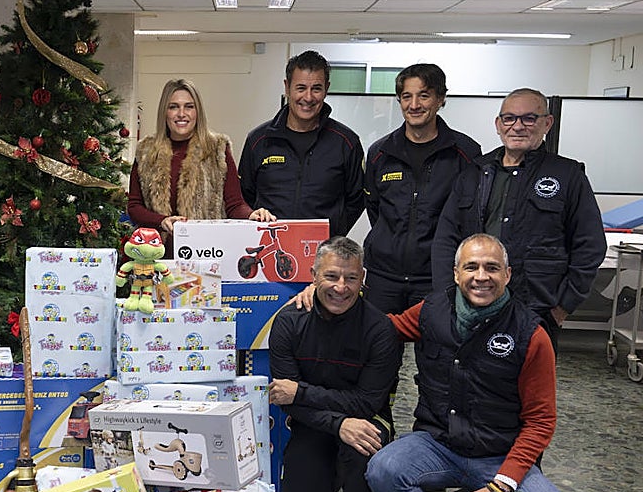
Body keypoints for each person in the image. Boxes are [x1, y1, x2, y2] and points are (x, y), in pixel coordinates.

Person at [367, 234, 581, 492]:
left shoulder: (531, 334)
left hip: (500, 455)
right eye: (471, 267)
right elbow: (382, 328)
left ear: (507, 274)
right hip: (438, 444)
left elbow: (541, 422)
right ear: (456, 273)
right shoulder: (431, 311)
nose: (481, 276)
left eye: (492, 268)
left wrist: (499, 490)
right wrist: (322, 297)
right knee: (382, 471)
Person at [432, 88, 605, 351]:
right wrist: (448, 295)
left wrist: (563, 306)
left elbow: (590, 246)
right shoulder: (475, 172)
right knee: (468, 372)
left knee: (530, 376)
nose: (518, 126)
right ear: (498, 124)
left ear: (547, 123)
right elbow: (446, 238)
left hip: (536, 308)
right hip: (473, 303)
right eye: (509, 118)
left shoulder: (567, 175)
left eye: (529, 118)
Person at [267, 236, 400, 492]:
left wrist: (302, 392)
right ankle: (334, 473)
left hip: (366, 421)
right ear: (313, 275)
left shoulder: (380, 330)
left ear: (362, 278)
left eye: (351, 278)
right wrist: (338, 423)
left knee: (363, 441)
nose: (341, 287)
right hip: (313, 423)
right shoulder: (287, 322)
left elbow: (366, 403)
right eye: (331, 276)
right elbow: (286, 398)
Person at [363, 64, 481, 314]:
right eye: (407, 96)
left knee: (436, 340)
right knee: (379, 339)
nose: (414, 105)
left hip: (437, 277)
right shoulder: (379, 153)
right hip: (383, 276)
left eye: (424, 95)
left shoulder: (466, 153)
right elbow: (374, 208)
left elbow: (469, 215)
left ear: (440, 99)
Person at [128, 78, 270, 254]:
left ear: (197, 112)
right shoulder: (146, 151)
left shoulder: (217, 148)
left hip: (206, 254)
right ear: (164, 111)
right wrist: (161, 221)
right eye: (173, 107)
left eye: (189, 106)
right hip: (157, 257)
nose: (181, 113)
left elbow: (234, 204)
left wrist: (252, 214)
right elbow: (134, 206)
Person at [239, 50, 364, 237]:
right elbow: (244, 197)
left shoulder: (346, 142)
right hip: (271, 245)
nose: (308, 97)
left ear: (327, 88)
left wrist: (334, 231)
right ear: (287, 87)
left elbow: (357, 200)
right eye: (301, 88)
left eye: (316, 88)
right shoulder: (258, 141)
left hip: (324, 249)